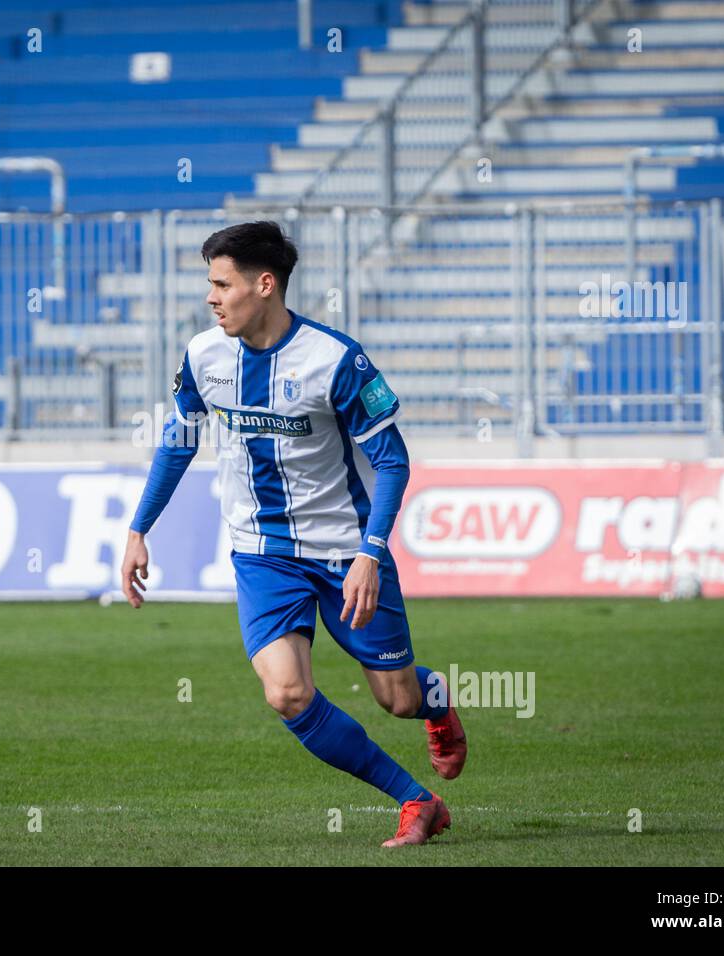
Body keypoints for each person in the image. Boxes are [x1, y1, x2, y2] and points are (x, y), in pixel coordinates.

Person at [121, 221, 467, 847]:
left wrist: (371, 551)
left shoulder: (336, 360)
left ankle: (436, 701)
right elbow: (178, 441)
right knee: (286, 692)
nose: (211, 297)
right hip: (261, 553)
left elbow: (392, 462)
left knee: (395, 696)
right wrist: (139, 528)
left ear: (265, 283)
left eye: (221, 284)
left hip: (346, 552)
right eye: (209, 284)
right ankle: (417, 800)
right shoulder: (204, 356)